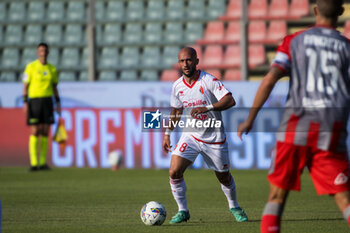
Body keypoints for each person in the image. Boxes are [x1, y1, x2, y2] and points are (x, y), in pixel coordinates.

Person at [237, 0, 350, 232]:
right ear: (341, 12)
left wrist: (250, 118)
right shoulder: (346, 47)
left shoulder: (294, 41)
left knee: (277, 195)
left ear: (315, 10)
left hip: (294, 128)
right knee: (344, 199)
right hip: (330, 131)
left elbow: (270, 79)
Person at [162, 47, 248, 224]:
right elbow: (177, 110)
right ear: (178, 63)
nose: (185, 64)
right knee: (174, 171)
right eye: (182, 61)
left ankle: (234, 206)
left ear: (196, 61)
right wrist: (167, 134)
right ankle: (183, 211)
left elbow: (230, 100)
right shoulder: (177, 86)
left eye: (189, 60)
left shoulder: (208, 80)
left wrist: (208, 108)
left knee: (223, 176)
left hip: (214, 138)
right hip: (191, 136)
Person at [23, 42, 61, 171]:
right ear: (37, 52)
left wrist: (58, 103)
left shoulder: (52, 69)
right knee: (35, 130)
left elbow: (55, 87)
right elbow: (25, 86)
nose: (43, 52)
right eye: (40, 50)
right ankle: (34, 163)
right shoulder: (31, 67)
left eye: (45, 50)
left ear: (48, 52)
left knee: (45, 131)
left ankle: (43, 163)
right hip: (34, 101)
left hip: (47, 101)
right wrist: (25, 102)